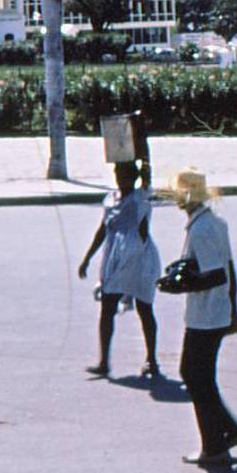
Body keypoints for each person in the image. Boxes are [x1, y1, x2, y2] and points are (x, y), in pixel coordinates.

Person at [161, 168, 237, 466]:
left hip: (207, 314)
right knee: (199, 376)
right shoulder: (210, 222)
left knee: (195, 375)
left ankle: (218, 442)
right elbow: (229, 270)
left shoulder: (202, 228)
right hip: (215, 311)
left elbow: (214, 275)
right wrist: (233, 310)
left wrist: (181, 285)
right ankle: (221, 438)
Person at [77, 159, 162, 378]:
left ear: (132, 178)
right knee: (107, 308)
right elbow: (102, 230)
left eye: (122, 174)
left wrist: (142, 156)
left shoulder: (140, 198)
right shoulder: (111, 199)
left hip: (139, 258)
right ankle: (104, 361)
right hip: (115, 258)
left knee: (145, 308)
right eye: (116, 174)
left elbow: (147, 177)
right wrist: (87, 258)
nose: (118, 178)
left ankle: (151, 360)